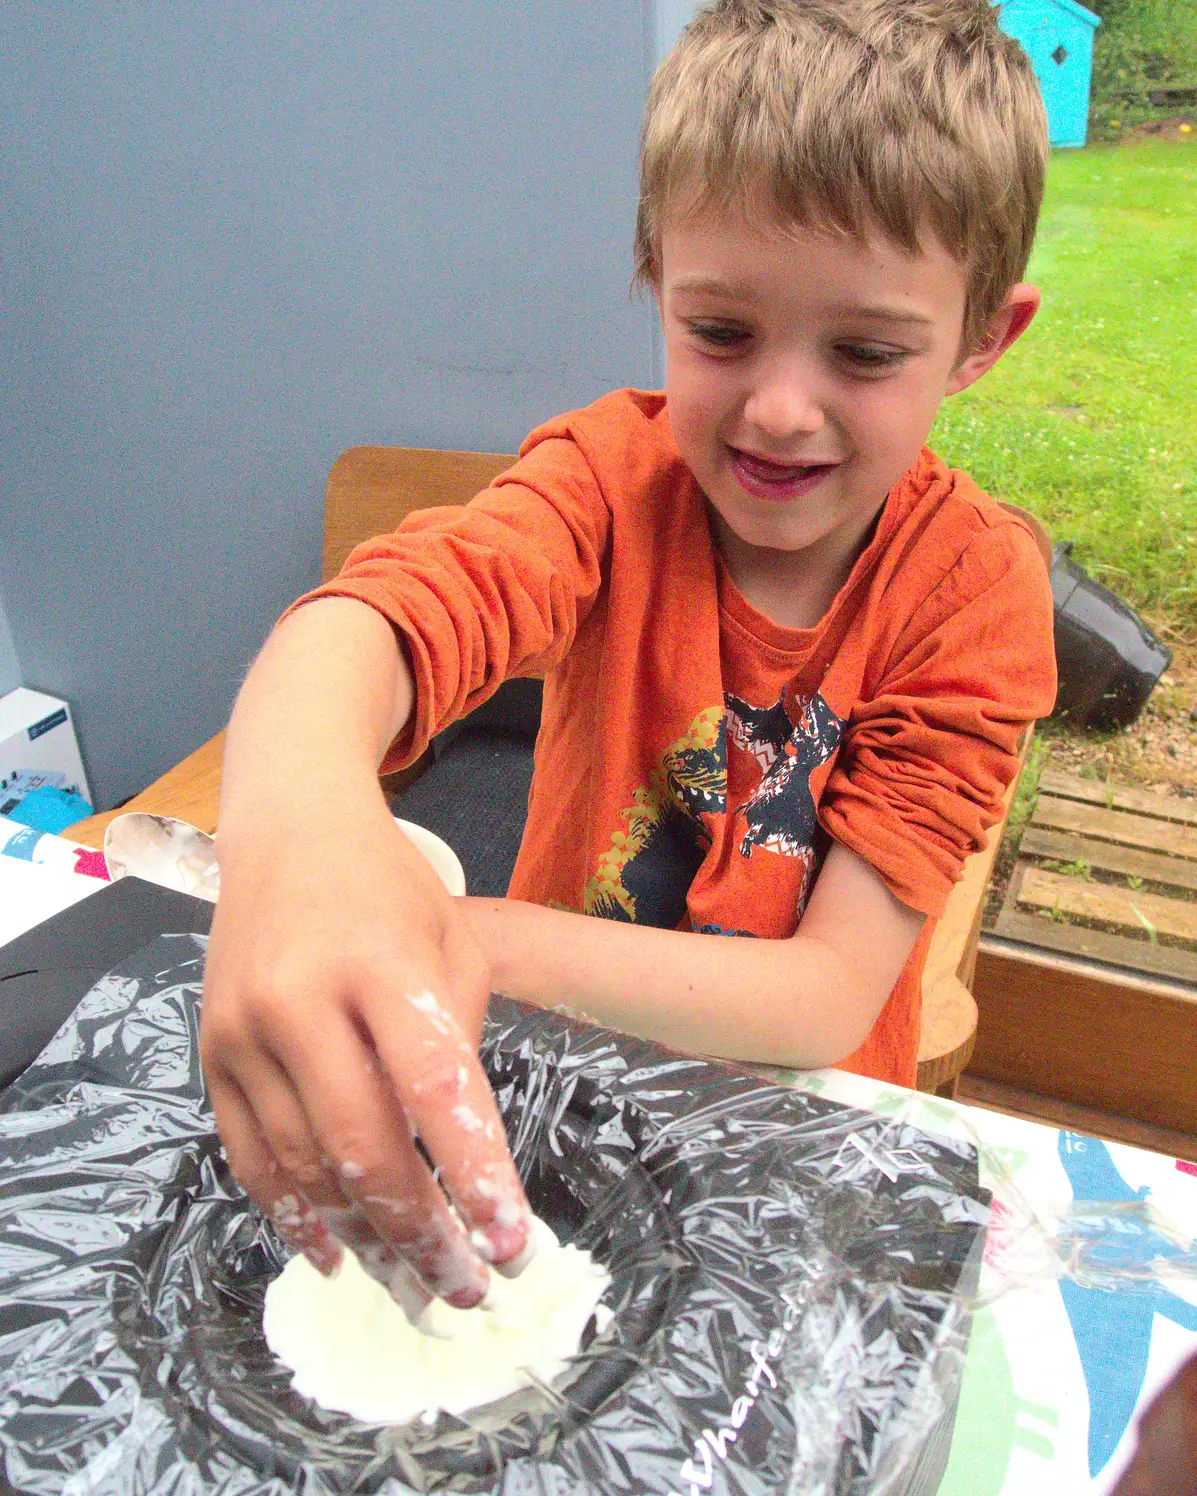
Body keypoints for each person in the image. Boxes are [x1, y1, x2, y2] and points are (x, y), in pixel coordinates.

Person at [200, 0, 1057, 1319]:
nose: (779, 406)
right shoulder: (608, 480)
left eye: (866, 353)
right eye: (722, 332)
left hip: (789, 1157)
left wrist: (460, 931)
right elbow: (372, 622)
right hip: (555, 1096)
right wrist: (295, 836)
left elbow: (823, 999)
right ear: (658, 275)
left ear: (983, 340)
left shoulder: (974, 590)